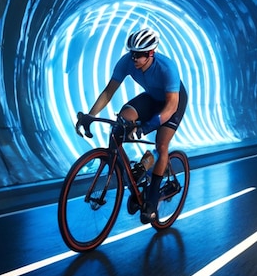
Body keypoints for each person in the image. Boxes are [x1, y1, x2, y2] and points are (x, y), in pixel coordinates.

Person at [75, 27, 188, 223]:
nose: (134, 58)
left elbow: (170, 108)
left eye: (139, 55)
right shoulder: (127, 62)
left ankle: (151, 201)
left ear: (151, 53)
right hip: (151, 98)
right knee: (120, 123)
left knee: (161, 146)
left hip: (172, 102)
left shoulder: (167, 68)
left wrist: (145, 128)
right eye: (132, 53)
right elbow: (108, 92)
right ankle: (134, 170)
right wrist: (91, 115)